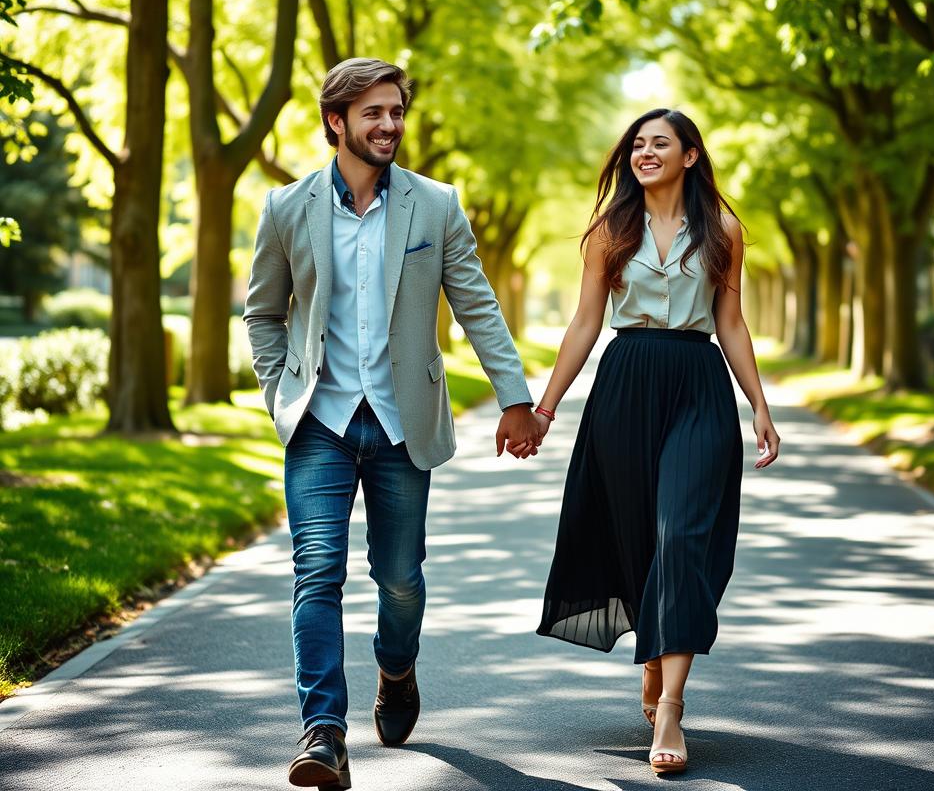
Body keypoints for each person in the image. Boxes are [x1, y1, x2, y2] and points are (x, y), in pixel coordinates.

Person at [244, 57, 542, 790]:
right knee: (316, 571)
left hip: (402, 421)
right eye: (374, 113)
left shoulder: (435, 205)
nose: (389, 125)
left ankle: (397, 668)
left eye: (396, 112)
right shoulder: (287, 207)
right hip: (319, 420)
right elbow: (262, 312)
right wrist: (277, 387)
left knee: (400, 579)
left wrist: (515, 399)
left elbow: (476, 305)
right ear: (335, 121)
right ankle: (324, 733)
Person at [533, 108, 781, 775]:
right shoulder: (609, 231)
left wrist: (759, 404)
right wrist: (546, 406)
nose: (644, 153)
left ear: (690, 156)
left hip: (699, 385)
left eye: (659, 143)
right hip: (626, 383)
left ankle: (670, 703)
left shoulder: (723, 230)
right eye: (637, 145)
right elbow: (586, 321)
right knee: (638, 536)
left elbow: (730, 322)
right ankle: (654, 649)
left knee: (683, 536)